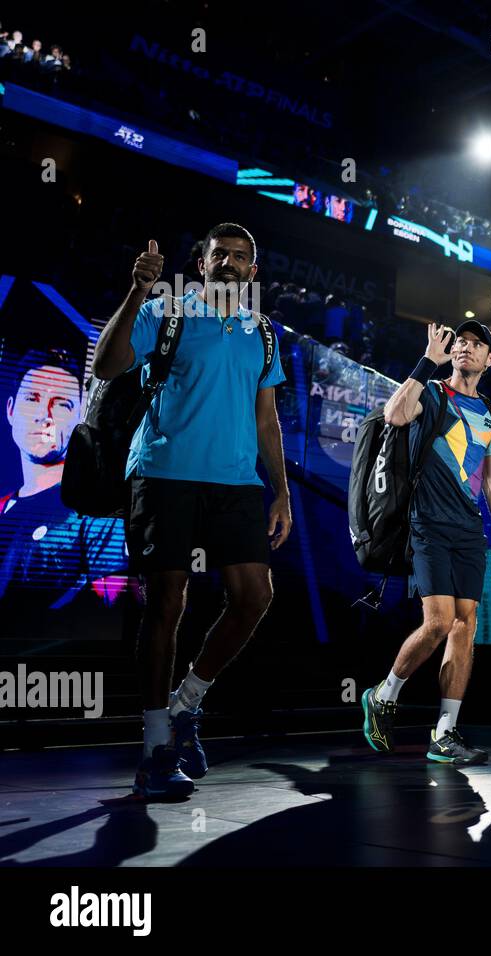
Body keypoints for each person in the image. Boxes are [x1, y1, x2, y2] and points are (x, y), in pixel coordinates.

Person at [92, 224, 291, 800]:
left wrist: (280, 491)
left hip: (235, 483)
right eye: (218, 254)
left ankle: (186, 704)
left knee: (255, 596)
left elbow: (265, 419)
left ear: (253, 272)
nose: (228, 263)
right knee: (166, 605)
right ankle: (155, 749)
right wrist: (135, 293)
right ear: (201, 264)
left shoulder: (266, 333)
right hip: (164, 472)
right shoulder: (166, 310)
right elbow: (108, 365)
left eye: (239, 257)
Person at [360, 319, 491, 766]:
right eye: (460, 342)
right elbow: (394, 414)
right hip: (426, 523)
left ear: (490, 359)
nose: (465, 348)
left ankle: (444, 734)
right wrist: (428, 360)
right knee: (440, 622)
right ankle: (383, 694)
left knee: (467, 625)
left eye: (475, 344)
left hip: (469, 530)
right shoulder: (432, 392)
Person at [0, 348, 127, 622]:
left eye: (61, 404)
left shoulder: (96, 513)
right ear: (10, 410)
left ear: (80, 416)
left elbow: (110, 610)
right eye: (32, 398)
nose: (44, 414)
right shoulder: (3, 508)